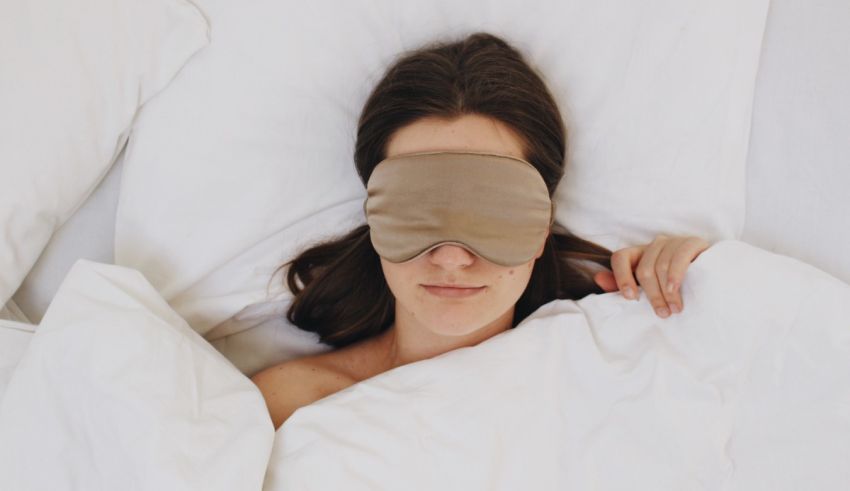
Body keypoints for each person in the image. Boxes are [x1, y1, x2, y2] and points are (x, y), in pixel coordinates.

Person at [251, 32, 710, 430]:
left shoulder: (616, 363)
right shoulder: (288, 406)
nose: (452, 258)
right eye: (419, 209)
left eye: (492, 212)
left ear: (543, 222)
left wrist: (707, 286)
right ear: (374, 212)